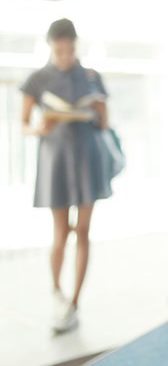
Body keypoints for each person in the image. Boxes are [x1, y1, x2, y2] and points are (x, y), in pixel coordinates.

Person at [20, 18, 112, 333]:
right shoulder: (37, 79)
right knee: (60, 232)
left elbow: (103, 124)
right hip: (55, 159)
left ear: (75, 46)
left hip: (88, 157)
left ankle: (75, 301)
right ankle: (57, 292)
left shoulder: (91, 76)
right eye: (59, 50)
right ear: (50, 47)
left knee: (83, 230)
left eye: (69, 50)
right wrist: (38, 127)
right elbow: (24, 124)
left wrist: (98, 112)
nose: (64, 56)